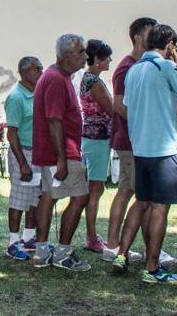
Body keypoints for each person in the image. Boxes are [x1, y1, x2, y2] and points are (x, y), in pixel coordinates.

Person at [115, 24, 177, 284]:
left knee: (141, 202)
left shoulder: (134, 70)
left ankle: (121, 253)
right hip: (165, 148)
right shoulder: (166, 67)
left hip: (141, 147)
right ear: (170, 45)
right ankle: (152, 267)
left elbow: (127, 105)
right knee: (160, 209)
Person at [31, 33, 92, 272]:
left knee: (49, 196)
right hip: (61, 151)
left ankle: (42, 251)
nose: (85, 57)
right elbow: (54, 121)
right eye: (81, 52)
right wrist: (62, 159)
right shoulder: (56, 78)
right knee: (80, 197)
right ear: (66, 55)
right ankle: (62, 252)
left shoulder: (59, 76)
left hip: (58, 151)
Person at [104, 16, 156, 263]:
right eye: (150, 33)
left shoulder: (144, 64)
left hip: (141, 140)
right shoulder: (126, 67)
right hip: (130, 140)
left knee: (141, 194)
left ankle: (146, 247)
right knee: (126, 190)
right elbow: (118, 103)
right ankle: (112, 245)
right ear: (138, 37)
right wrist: (142, 122)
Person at [4, 56, 42, 261]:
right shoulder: (17, 97)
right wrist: (22, 163)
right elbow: (11, 133)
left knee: (33, 197)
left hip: (36, 153)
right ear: (24, 72)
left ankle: (29, 237)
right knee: (18, 198)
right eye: (37, 69)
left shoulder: (36, 94)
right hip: (23, 153)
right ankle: (12, 242)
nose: (41, 72)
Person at [79, 39, 113, 254]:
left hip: (92, 137)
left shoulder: (88, 79)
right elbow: (111, 109)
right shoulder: (96, 83)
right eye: (108, 56)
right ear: (99, 60)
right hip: (98, 139)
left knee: (94, 189)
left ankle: (91, 234)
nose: (110, 60)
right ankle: (91, 236)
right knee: (95, 190)